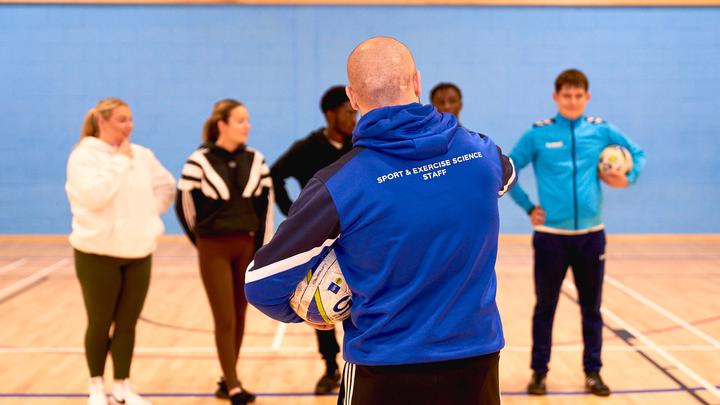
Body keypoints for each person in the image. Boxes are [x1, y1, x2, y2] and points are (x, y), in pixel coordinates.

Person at [245, 36, 516, 405]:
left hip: (383, 368)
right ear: (417, 82)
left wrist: (309, 310)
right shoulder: (481, 153)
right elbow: (507, 176)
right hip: (477, 363)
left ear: (353, 97)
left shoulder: (339, 183)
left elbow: (261, 282)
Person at [508, 69, 646, 397]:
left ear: (587, 98)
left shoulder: (601, 130)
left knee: (591, 308)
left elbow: (637, 154)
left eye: (578, 96)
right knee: (545, 307)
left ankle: (593, 372)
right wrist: (529, 207)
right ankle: (539, 372)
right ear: (555, 97)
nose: (572, 101)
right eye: (566, 95)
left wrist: (628, 177)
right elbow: (509, 167)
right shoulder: (538, 134)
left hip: (590, 236)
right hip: (551, 237)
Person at [65, 98, 176, 405]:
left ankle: (123, 386)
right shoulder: (83, 157)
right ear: (102, 122)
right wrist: (118, 160)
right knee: (100, 322)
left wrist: (147, 215)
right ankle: (97, 386)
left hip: (139, 251)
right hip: (96, 253)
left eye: (131, 119)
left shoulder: (142, 155)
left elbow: (167, 187)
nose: (130, 125)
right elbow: (94, 196)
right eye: (122, 120)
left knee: (127, 323)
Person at [175, 99, 273, 405]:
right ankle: (233, 386)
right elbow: (185, 208)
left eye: (248, 120)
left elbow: (265, 208)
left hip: (246, 247)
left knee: (241, 315)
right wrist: (202, 242)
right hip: (213, 247)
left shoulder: (257, 160)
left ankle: (226, 377)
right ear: (222, 125)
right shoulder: (198, 161)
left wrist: (263, 249)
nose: (247, 126)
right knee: (225, 317)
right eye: (240, 120)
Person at [270, 85, 357, 395]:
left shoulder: (360, 145)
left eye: (356, 111)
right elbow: (275, 175)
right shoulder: (307, 147)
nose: (354, 117)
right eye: (348, 112)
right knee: (320, 301)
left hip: (356, 234)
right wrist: (294, 214)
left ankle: (357, 363)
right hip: (320, 240)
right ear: (331, 114)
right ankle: (331, 366)